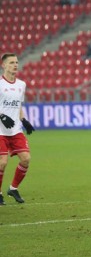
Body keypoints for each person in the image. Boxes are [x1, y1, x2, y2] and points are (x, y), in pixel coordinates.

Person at [0, 53, 35, 205]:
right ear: (4, 65)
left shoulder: (21, 84)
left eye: (16, 62)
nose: (15, 65)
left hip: (15, 129)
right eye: (12, 62)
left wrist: (24, 119)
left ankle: (13, 188)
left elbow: (18, 105)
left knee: (26, 159)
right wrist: (1, 116)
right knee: (2, 162)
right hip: (0, 130)